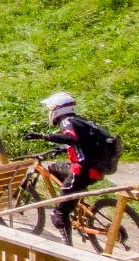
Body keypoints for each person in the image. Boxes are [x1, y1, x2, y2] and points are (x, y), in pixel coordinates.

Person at [25, 92, 122, 239]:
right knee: (53, 168)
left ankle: (67, 245)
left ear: (58, 109)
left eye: (50, 109)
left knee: (58, 214)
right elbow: (83, 143)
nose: (49, 112)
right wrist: (63, 148)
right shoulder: (80, 120)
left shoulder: (66, 122)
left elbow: (71, 138)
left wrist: (43, 136)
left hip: (82, 171)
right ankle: (71, 200)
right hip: (95, 168)